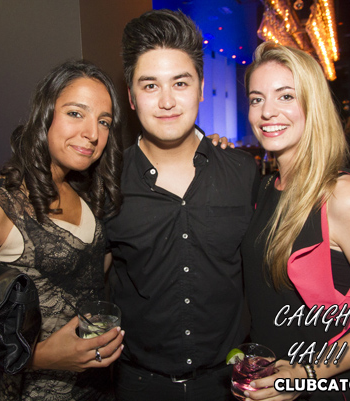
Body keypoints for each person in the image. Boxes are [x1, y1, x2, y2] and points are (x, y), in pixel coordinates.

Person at [0, 60, 125, 401]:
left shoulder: (85, 190)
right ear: (44, 115)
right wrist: (42, 357)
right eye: (75, 113)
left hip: (99, 387)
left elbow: (90, 274)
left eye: (104, 121)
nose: (93, 134)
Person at [241, 42, 350, 400]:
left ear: (314, 104)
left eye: (286, 96)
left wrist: (304, 374)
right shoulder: (268, 187)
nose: (267, 111)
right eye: (257, 99)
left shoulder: (342, 196)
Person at [105, 9, 259, 401]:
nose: (167, 101)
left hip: (229, 383)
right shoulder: (106, 182)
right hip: (138, 386)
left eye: (180, 82)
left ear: (201, 88)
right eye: (150, 85)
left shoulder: (243, 174)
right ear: (131, 97)